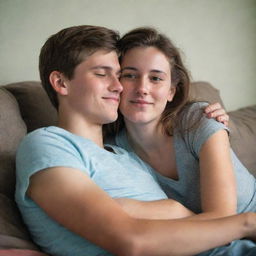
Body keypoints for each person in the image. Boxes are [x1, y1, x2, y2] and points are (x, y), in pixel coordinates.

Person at [15, 25, 256, 256]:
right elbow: (131, 240)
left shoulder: (130, 153)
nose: (120, 86)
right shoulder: (51, 145)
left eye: (120, 75)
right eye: (103, 74)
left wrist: (168, 210)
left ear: (172, 90)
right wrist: (246, 223)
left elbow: (200, 217)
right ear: (60, 82)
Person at [106, 27, 256, 254]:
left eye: (155, 78)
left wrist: (125, 208)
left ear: (171, 92)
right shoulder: (113, 150)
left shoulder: (199, 119)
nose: (142, 88)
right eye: (130, 75)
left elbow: (223, 221)